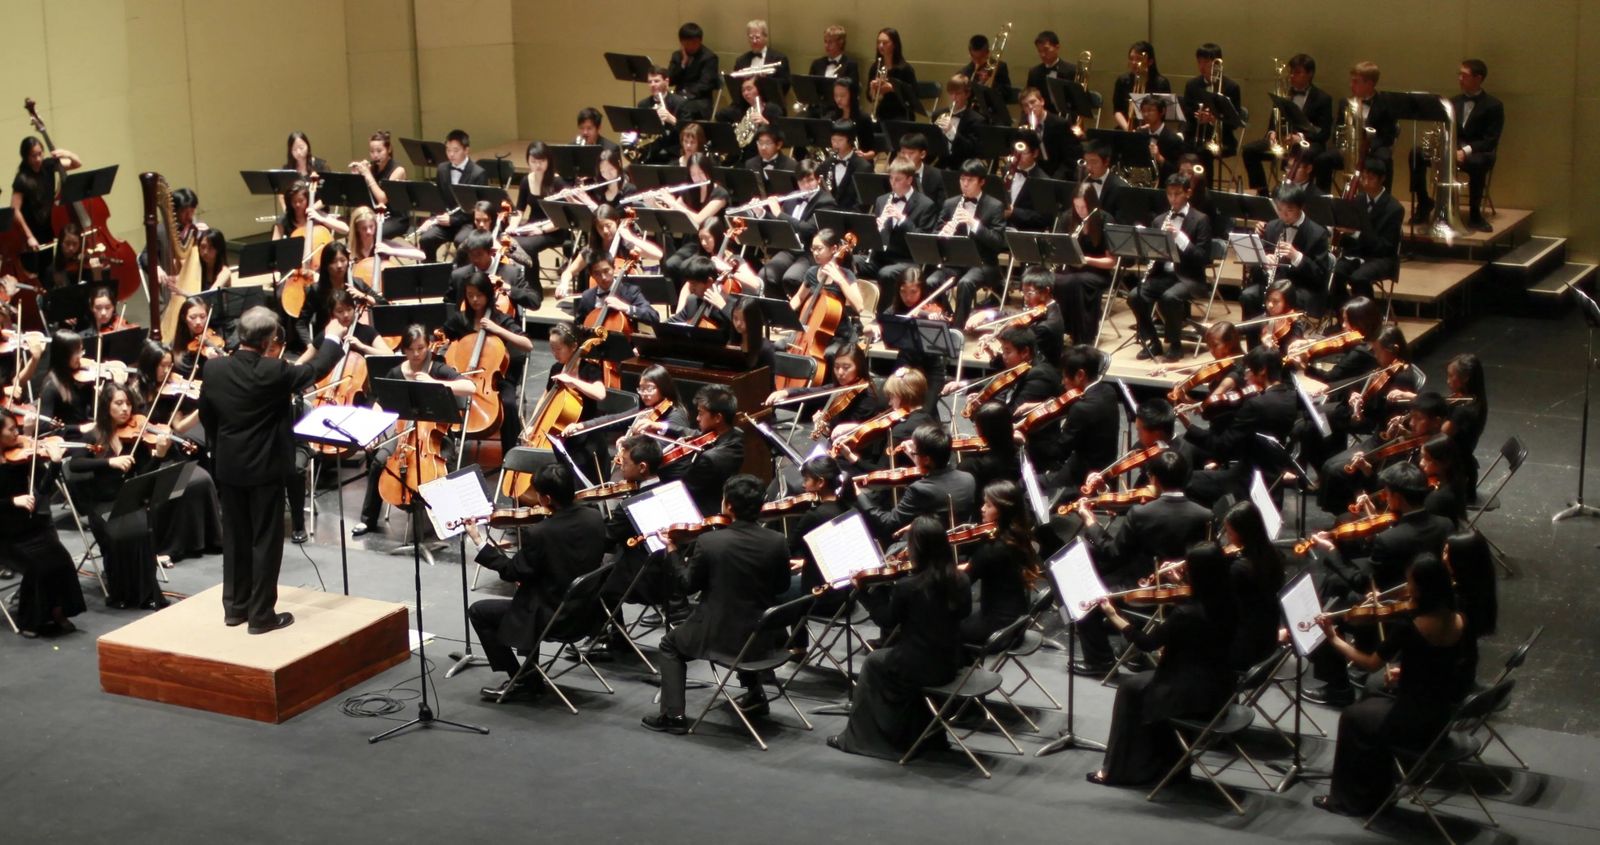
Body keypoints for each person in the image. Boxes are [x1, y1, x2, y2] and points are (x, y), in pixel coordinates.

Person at [197, 307, 343, 633]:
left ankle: (235, 609)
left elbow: (206, 414)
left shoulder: (215, 368)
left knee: (235, 538)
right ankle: (261, 615)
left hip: (230, 467)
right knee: (265, 540)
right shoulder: (274, 371)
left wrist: (222, 445)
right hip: (264, 470)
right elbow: (317, 368)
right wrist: (332, 335)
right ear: (267, 340)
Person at [1314, 555, 1473, 817]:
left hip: (1414, 720)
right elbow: (1445, 663)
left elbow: (1369, 663)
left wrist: (1333, 639)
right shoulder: (1460, 618)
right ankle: (1379, 782)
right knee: (1373, 694)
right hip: (1443, 713)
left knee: (1353, 717)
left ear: (1422, 588)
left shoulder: (1409, 626)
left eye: (1410, 584)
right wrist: (1407, 672)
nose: (1407, 589)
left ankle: (1352, 800)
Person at [642, 474, 791, 735]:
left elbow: (687, 585)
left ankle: (673, 715)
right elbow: (781, 587)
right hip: (765, 638)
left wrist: (673, 552)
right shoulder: (777, 542)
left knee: (669, 645)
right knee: (748, 619)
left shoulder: (710, 542)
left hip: (721, 636)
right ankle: (756, 696)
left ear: (729, 506)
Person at [1087, 541, 1237, 786]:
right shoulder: (1229, 601)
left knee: (1130, 688)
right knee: (1142, 684)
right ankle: (1166, 762)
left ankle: (1118, 770)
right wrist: (1180, 585)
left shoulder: (1186, 613)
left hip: (1191, 695)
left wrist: (1113, 615)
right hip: (1221, 689)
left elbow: (1147, 643)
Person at [829, 515, 972, 759]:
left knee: (874, 662)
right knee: (888, 659)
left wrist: (863, 591)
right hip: (951, 662)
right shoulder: (961, 579)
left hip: (917, 666)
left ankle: (860, 739)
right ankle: (922, 733)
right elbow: (965, 612)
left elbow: (886, 619)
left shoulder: (909, 586)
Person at [464, 463, 608, 701]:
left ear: (547, 498)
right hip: (587, 613)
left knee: (479, 612)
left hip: (555, 618)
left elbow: (513, 571)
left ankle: (522, 678)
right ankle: (528, 673)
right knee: (530, 594)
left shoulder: (541, 533)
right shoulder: (594, 516)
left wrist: (480, 542)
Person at [1073, 449, 1211, 673]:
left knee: (1083, 593)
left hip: (1142, 589)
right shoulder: (1205, 514)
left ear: (1153, 477)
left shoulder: (1141, 513)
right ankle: (1133, 653)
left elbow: (1113, 552)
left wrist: (1090, 521)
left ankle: (1099, 659)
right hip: (1183, 592)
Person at [352, 324, 478, 535]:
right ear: (404, 350)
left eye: (421, 348)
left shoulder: (437, 368)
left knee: (444, 463)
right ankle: (368, 519)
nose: (417, 353)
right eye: (411, 349)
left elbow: (470, 387)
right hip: (403, 433)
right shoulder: (396, 372)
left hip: (434, 435)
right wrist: (372, 429)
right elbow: (381, 402)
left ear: (428, 346)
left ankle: (453, 518)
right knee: (378, 462)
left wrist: (436, 383)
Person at [0, 413, 87, 637]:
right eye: (10, 430)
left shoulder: (23, 457)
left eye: (16, 428)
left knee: (62, 560)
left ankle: (57, 610)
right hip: (7, 536)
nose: (17, 433)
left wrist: (55, 464)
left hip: (32, 528)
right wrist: (12, 501)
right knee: (36, 566)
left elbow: (44, 491)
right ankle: (30, 620)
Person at [1409, 59, 1502, 231]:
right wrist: (1446, 149)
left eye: (1464, 75)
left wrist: (1464, 152)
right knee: (1416, 153)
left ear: (1478, 78)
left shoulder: (1494, 105)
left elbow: (1490, 140)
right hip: (1450, 150)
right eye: (1459, 75)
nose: (1459, 78)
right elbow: (1444, 131)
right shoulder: (1451, 102)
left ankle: (1475, 214)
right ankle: (1424, 203)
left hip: (1477, 151)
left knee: (1478, 163)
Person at [1130, 173, 1213, 363]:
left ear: (1188, 193)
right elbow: (1152, 255)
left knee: (1170, 297)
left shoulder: (1201, 220)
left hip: (1190, 278)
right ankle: (1152, 340)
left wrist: (1179, 238)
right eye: (1169, 195)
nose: (1173, 199)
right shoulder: (1159, 221)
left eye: (1177, 194)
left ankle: (1175, 345)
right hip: (1163, 276)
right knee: (1135, 295)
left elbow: (1202, 258)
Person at [859, 423, 977, 543]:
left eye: (915, 453)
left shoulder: (919, 489)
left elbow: (888, 522)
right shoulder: (968, 478)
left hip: (928, 547)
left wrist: (860, 495)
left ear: (926, 459)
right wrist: (915, 457)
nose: (912, 453)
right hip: (958, 541)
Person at [1241, 53, 1334, 195]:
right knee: (1249, 150)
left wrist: (1300, 138)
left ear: (1310, 74)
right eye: (1291, 72)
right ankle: (1263, 196)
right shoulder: (1284, 94)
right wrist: (1271, 133)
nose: (1291, 76)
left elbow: (1324, 133)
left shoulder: (1323, 98)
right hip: (1282, 140)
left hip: (1307, 143)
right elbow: (1273, 122)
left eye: (1297, 72)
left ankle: (1312, 199)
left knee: (1314, 155)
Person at [960, 480, 1040, 646]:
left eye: (988, 506)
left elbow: (961, 583)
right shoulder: (1017, 537)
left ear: (1003, 511)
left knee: (940, 626)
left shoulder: (992, 549)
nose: (982, 509)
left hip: (998, 629)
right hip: (1016, 621)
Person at [930, 160, 1008, 326]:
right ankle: (949, 317)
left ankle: (957, 329)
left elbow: (997, 242)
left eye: (970, 180)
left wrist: (974, 224)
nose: (965, 184)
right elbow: (935, 234)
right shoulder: (950, 204)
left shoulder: (994, 206)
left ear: (982, 182)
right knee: (931, 282)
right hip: (955, 262)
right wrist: (943, 234)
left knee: (966, 283)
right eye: (962, 179)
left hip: (984, 263)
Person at [1239, 183, 1332, 319]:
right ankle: (1255, 340)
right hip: (1274, 285)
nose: (1283, 215)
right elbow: (1256, 271)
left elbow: (1319, 276)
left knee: (1281, 300)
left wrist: (1297, 257)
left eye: (1289, 210)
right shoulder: (1271, 227)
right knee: (1249, 295)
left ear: (1301, 207)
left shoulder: (1317, 233)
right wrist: (1264, 261)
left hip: (1301, 288)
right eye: (1279, 209)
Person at [660, 384, 746, 518]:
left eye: (701, 413)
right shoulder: (734, 434)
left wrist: (657, 465)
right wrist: (662, 427)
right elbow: (696, 434)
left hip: (703, 510)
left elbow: (682, 486)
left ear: (718, 418)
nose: (697, 418)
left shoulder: (710, 459)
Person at [1221, 501, 1286, 671]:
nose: (1227, 537)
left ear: (1242, 533)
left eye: (1229, 531)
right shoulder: (1274, 555)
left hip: (1245, 648)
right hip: (1268, 636)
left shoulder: (1239, 570)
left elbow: (1219, 606)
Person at [1329, 159, 1403, 308]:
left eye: (1371, 178)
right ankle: (1344, 315)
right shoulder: (1358, 200)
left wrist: (1356, 234)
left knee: (1359, 278)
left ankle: (1366, 318)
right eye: (1363, 177)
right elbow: (1349, 239)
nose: (1366, 182)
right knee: (1334, 273)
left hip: (1382, 258)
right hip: (1358, 253)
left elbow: (1386, 247)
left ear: (1382, 179)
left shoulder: (1394, 208)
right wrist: (1339, 232)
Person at [11, 135, 81, 274]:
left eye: (39, 154)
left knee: (48, 267)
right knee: (35, 271)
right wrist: (29, 236)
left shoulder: (49, 165)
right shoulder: (22, 179)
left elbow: (77, 164)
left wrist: (67, 154)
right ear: (26, 157)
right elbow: (15, 210)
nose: (37, 159)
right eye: (33, 156)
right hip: (30, 233)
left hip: (47, 228)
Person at [416, 129, 487, 261]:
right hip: (445, 222)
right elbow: (438, 199)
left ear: (466, 150)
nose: (451, 154)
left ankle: (461, 277)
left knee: (461, 241)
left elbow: (478, 209)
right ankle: (432, 275)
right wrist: (432, 219)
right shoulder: (442, 169)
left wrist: (453, 220)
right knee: (426, 239)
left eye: (455, 150)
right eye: (448, 150)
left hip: (467, 222)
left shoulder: (478, 173)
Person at [351, 130, 410, 239]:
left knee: (370, 233)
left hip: (396, 218)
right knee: (355, 231)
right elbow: (362, 197)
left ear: (389, 149)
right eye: (372, 151)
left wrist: (368, 175)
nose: (375, 155)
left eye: (379, 151)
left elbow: (383, 199)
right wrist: (358, 177)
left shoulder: (398, 170)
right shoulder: (372, 168)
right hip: (376, 216)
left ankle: (380, 256)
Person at [1112, 41, 1173, 131]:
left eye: (1138, 59)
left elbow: (1163, 114)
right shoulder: (1123, 80)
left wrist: (1145, 129)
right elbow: (1117, 111)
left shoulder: (1161, 83)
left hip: (1152, 130)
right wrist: (1128, 129)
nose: (1134, 62)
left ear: (1150, 61)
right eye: (1131, 58)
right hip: (1126, 129)